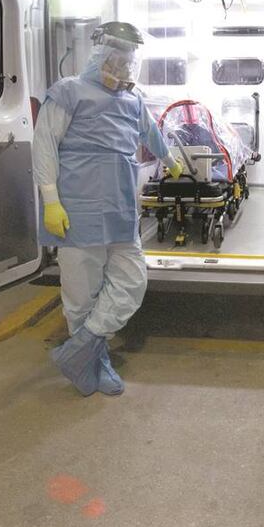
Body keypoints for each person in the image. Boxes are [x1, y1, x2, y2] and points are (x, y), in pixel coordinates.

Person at [33, 21, 182, 397]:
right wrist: (50, 200)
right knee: (82, 294)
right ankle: (93, 365)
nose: (122, 67)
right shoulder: (69, 91)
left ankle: (78, 352)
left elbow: (150, 132)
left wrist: (170, 158)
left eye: (128, 60)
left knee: (132, 281)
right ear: (100, 54)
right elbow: (44, 145)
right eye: (116, 58)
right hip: (76, 209)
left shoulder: (132, 100)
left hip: (119, 209)